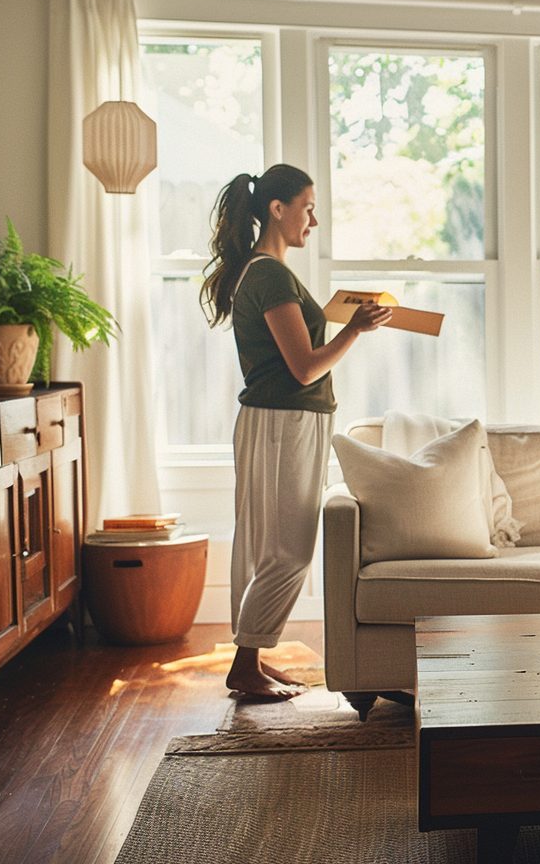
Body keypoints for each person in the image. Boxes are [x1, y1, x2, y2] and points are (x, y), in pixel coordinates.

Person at [200, 164, 391, 700]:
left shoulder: (264, 272)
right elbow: (304, 368)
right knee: (289, 551)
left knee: (266, 547)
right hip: (286, 422)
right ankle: (246, 665)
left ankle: (250, 660)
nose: (315, 219)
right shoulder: (270, 275)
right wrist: (354, 329)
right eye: (308, 207)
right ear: (278, 210)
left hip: (277, 422)